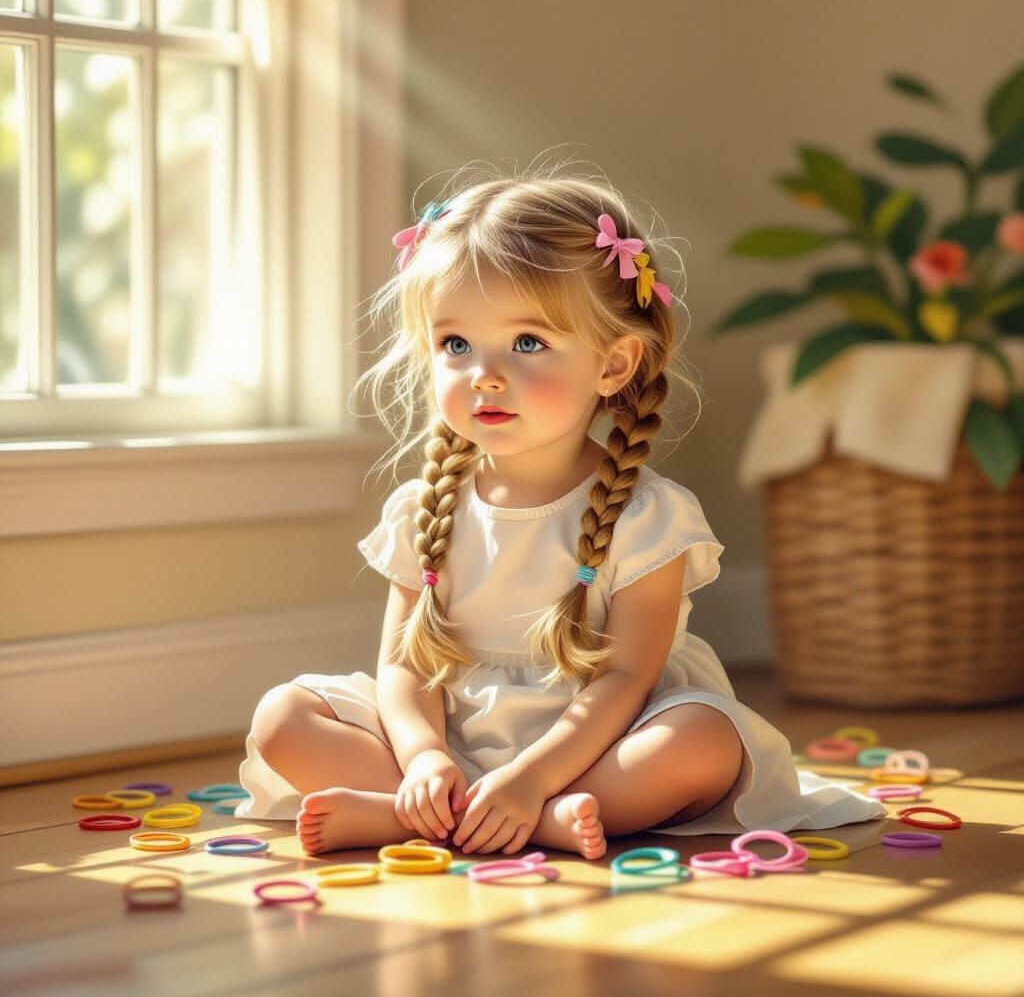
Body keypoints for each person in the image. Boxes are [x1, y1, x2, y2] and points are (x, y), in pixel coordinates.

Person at [234, 156, 886, 859]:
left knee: (703, 743)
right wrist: (424, 756)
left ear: (613, 365)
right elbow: (405, 668)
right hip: (448, 740)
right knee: (284, 718)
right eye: (455, 343)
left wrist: (531, 775)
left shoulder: (648, 516)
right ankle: (448, 808)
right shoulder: (424, 507)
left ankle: (468, 814)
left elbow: (626, 679)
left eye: (527, 343)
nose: (484, 373)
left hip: (596, 747)